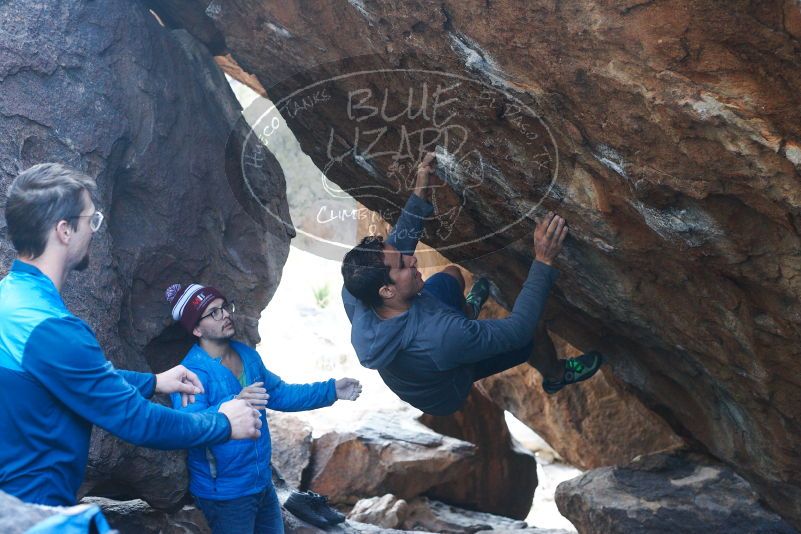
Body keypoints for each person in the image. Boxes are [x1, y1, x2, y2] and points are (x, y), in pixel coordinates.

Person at [0, 163, 262, 506]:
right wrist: (223, 423)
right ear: (64, 230)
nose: (95, 231)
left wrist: (153, 382)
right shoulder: (54, 329)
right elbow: (137, 421)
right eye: (91, 220)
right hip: (35, 514)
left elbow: (71, 376)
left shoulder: (10, 298)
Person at [341, 152, 604, 416]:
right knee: (531, 335)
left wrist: (420, 192)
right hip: (447, 386)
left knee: (452, 275)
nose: (412, 260)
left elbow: (399, 242)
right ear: (386, 290)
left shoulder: (357, 288)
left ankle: (467, 312)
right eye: (402, 265)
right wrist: (544, 259)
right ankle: (555, 375)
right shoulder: (443, 337)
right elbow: (518, 329)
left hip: (427, 332)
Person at [165, 283, 362, 534]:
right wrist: (236, 403)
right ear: (195, 328)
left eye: (224, 306)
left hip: (261, 483)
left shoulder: (246, 355)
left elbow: (279, 393)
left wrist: (331, 390)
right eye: (213, 312)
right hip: (225, 494)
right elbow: (189, 429)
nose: (225, 314)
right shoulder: (189, 374)